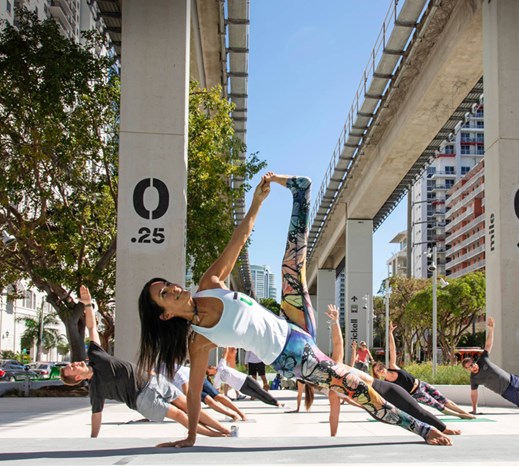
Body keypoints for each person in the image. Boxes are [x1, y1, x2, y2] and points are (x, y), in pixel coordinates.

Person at [137, 173, 452, 447]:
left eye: (168, 283)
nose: (174, 288)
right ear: (165, 314)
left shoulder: (209, 282)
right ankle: (424, 428)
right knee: (358, 386)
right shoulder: (200, 341)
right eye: (165, 294)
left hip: (293, 323)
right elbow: (194, 394)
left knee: (291, 266)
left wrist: (258, 202)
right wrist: (191, 435)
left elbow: (240, 237)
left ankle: (300, 192)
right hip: (294, 359)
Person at [61, 286, 231, 439]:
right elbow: (96, 415)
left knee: (188, 405)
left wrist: (88, 304)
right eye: (72, 368)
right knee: (180, 415)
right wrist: (92, 440)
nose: (75, 363)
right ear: (77, 378)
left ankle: (224, 430)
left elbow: (91, 328)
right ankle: (215, 435)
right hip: (142, 399)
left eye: (72, 363)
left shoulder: (95, 355)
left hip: (152, 380)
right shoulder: (96, 388)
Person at [326, 304, 461, 437]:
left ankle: (442, 428)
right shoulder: (333, 390)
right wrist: (333, 437)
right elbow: (334, 414)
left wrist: (335, 321)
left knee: (414, 409)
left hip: (384, 389)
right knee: (404, 419)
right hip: (374, 404)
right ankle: (431, 431)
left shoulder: (337, 364)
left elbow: (338, 342)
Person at [372, 322, 474, 420]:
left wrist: (390, 333)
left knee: (444, 400)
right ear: (377, 374)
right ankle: (460, 415)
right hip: (416, 394)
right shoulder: (387, 383)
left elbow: (392, 350)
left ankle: (464, 412)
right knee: (438, 405)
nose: (381, 370)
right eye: (378, 370)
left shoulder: (393, 366)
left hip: (422, 384)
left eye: (380, 367)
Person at [207, 347, 283, 407]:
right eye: (210, 368)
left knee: (260, 390)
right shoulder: (216, 380)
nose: (212, 366)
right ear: (210, 374)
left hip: (245, 378)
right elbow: (217, 392)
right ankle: (274, 404)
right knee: (258, 396)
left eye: (210, 366)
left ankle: (276, 402)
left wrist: (225, 343)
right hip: (241, 388)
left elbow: (226, 352)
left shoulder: (220, 365)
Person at [172, 364, 247, 421]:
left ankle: (241, 413)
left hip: (197, 377)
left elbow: (182, 377)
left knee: (218, 396)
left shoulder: (169, 363)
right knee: (209, 401)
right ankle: (232, 415)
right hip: (190, 388)